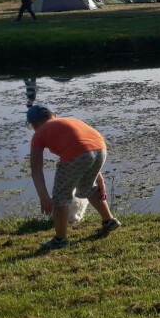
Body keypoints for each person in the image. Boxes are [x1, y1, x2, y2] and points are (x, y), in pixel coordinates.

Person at [27, 104, 121, 251]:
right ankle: (109, 221)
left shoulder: (40, 132)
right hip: (101, 149)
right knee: (87, 188)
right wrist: (100, 180)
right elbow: (87, 148)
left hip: (78, 155)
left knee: (60, 198)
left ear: (34, 124)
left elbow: (36, 168)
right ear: (53, 116)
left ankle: (60, 240)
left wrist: (44, 197)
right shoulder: (70, 121)